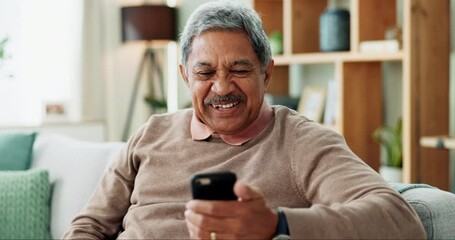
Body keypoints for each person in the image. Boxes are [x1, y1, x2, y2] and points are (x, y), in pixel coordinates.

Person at [63, 1, 426, 239]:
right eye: (204, 72)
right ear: (185, 76)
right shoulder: (151, 133)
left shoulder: (301, 141)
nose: (222, 87)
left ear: (266, 74)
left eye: (239, 69)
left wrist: (277, 223)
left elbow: (400, 220)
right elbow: (90, 225)